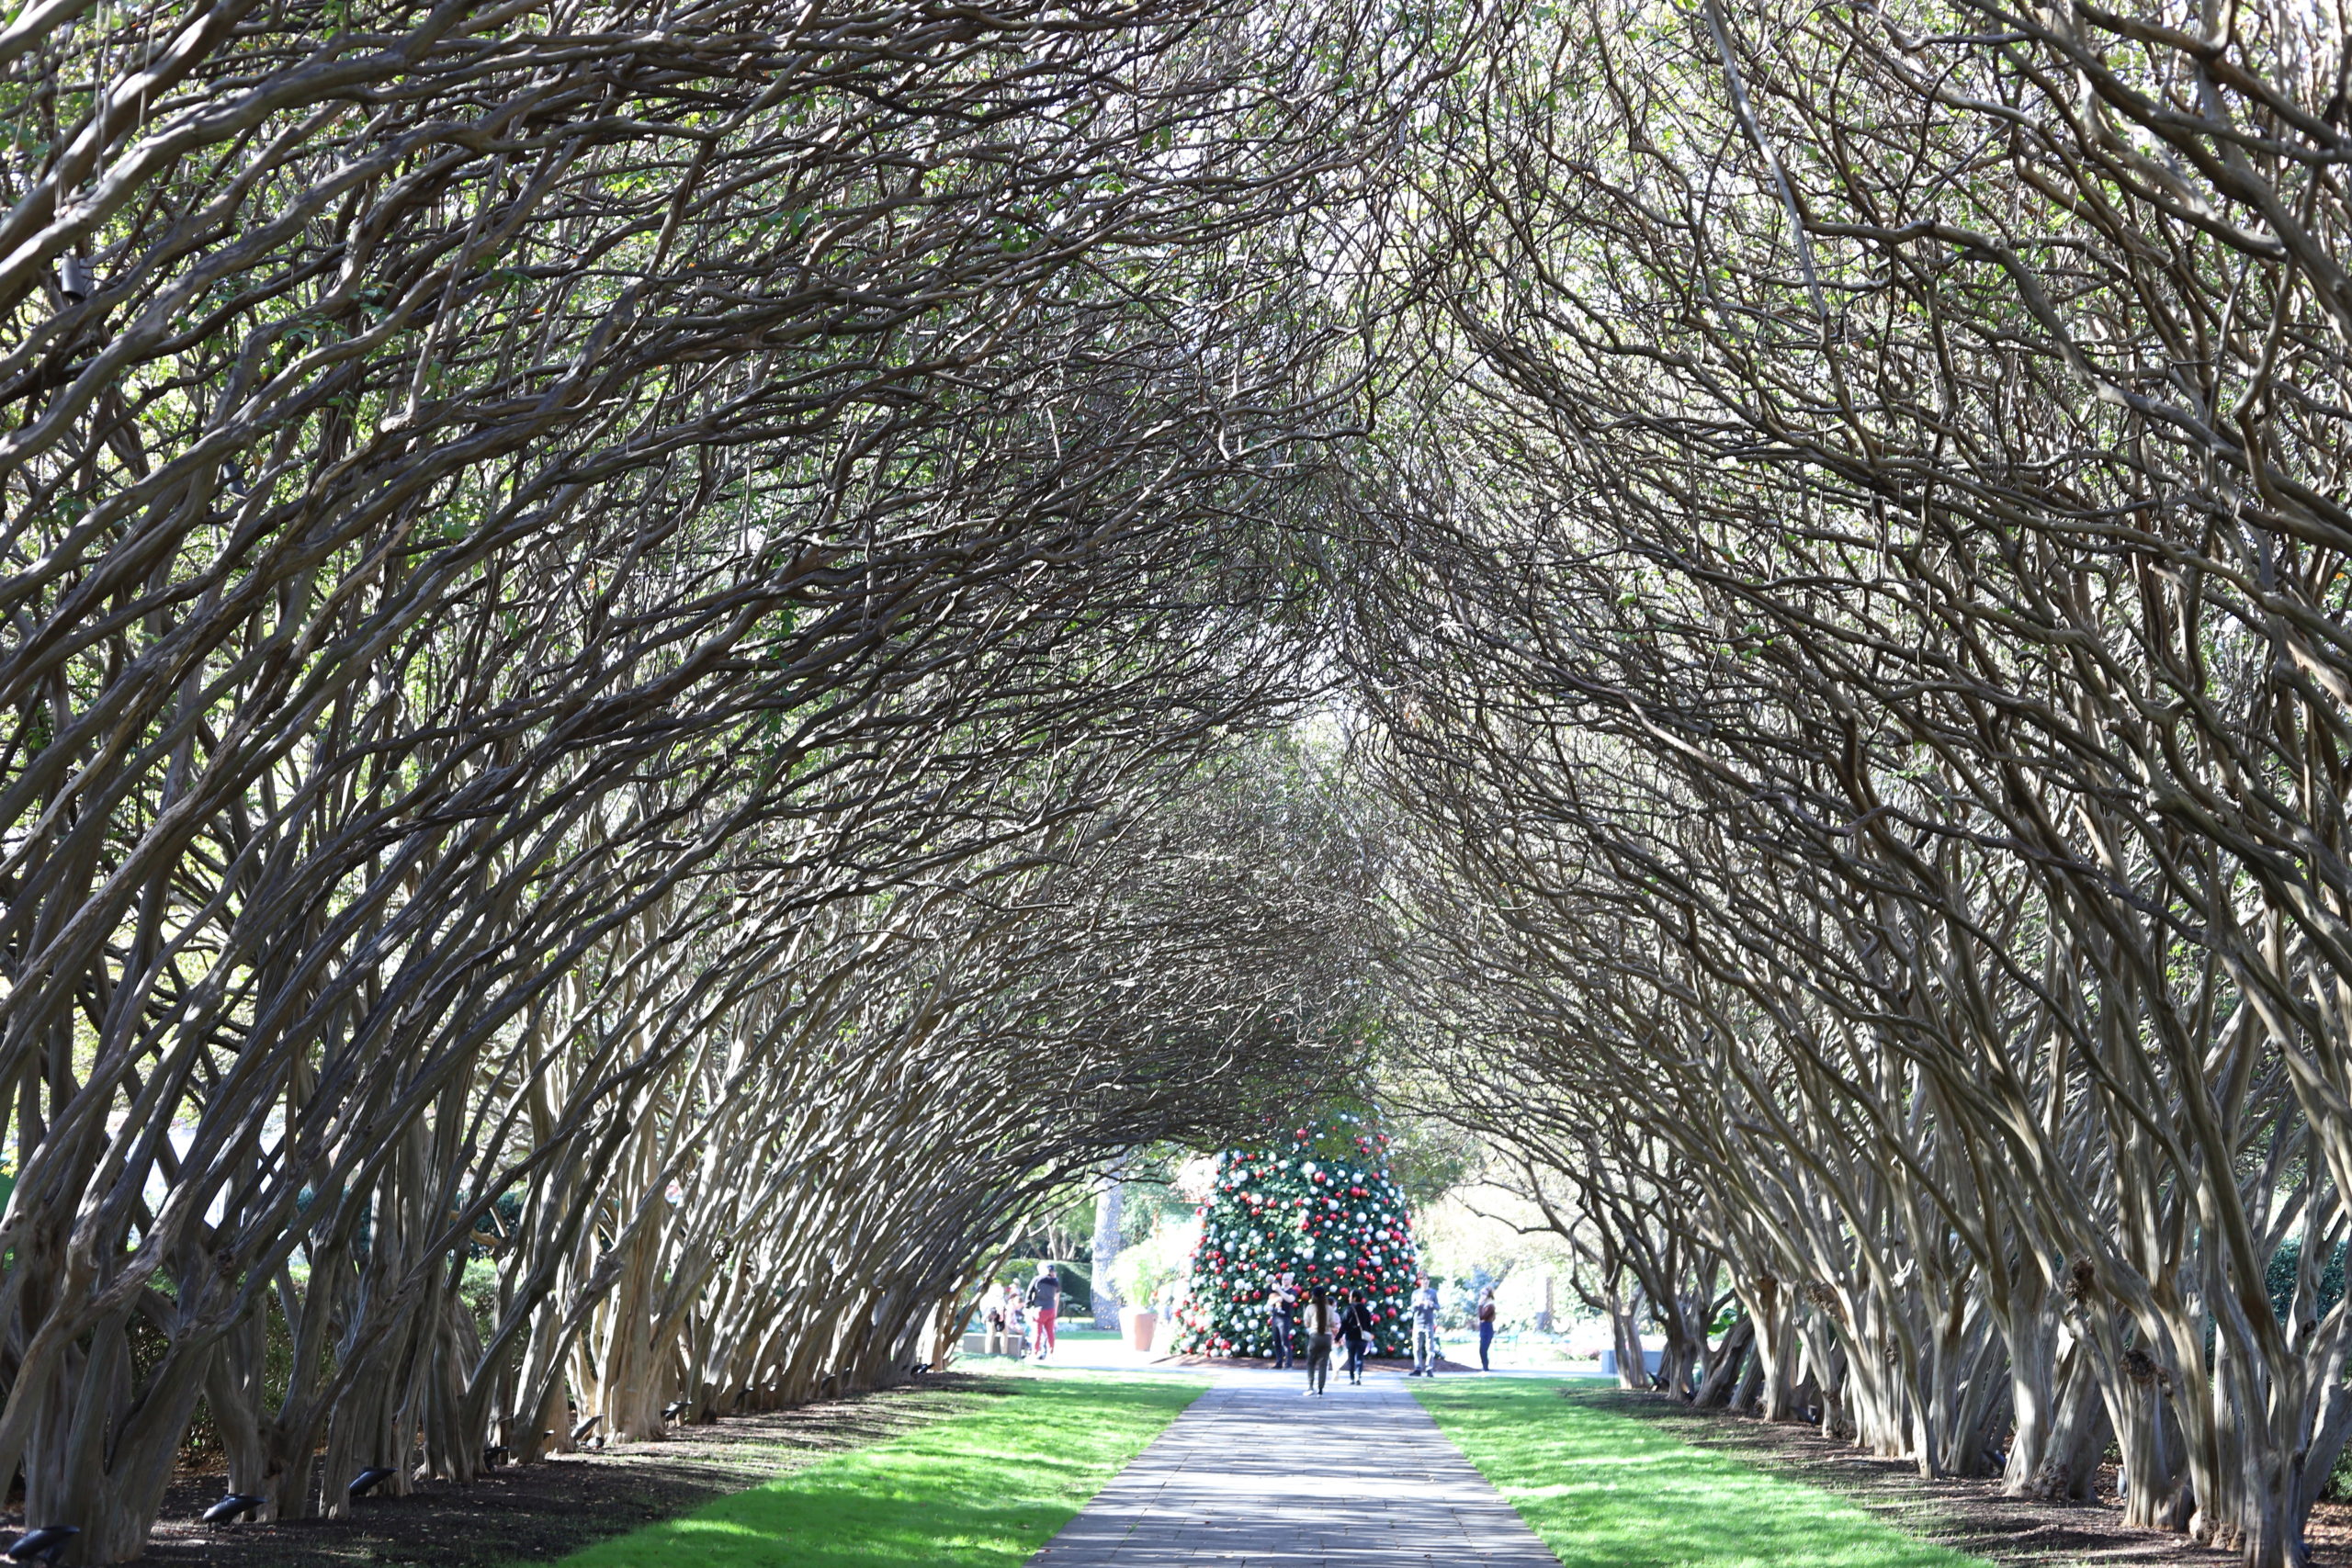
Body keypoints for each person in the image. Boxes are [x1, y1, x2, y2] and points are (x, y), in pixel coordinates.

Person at [1300, 1286, 1337, 1396]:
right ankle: (1321, 1388)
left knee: (1311, 1362)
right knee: (1323, 1363)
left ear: (1313, 1296)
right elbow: (1333, 1324)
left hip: (1315, 1336)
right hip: (1327, 1337)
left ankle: (1311, 1386)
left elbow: (1307, 1324)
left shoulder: (1310, 1308)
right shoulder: (1329, 1308)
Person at [1339, 1292, 1374, 1385]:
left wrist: (1338, 1337)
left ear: (1354, 1298)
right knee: (1360, 1357)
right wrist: (1369, 1335)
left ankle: (1351, 1377)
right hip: (1362, 1337)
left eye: (1350, 1296)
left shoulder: (1349, 1309)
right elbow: (1368, 1325)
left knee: (1351, 1357)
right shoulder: (1365, 1310)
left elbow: (1344, 1324)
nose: (1348, 1298)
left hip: (1351, 1336)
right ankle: (1358, 1375)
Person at [1027, 1264, 1062, 1359]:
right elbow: (1057, 1296)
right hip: (1051, 1309)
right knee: (1050, 1333)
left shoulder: (1037, 1279)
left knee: (1037, 1332)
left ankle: (1035, 1353)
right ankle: (1050, 1354)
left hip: (1039, 1309)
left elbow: (1030, 1292)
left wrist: (1028, 1305)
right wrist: (1055, 1311)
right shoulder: (1055, 1282)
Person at [1409, 1275, 1440, 1376]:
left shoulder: (1433, 1293)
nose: (1425, 1282)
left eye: (1427, 1280)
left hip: (1429, 1323)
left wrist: (1432, 1304)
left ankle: (1429, 1369)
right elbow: (1412, 1308)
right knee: (1417, 1347)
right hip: (1418, 1322)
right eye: (1423, 1280)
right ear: (1420, 1281)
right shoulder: (1415, 1293)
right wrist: (1417, 1304)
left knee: (1429, 1347)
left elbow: (1438, 1306)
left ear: (1429, 1282)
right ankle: (1418, 1368)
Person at [1267, 1271, 1297, 1371]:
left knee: (1285, 1341)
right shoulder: (1276, 1291)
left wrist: (1279, 1291)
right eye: (1283, 1279)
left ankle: (1288, 1364)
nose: (1284, 1281)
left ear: (1291, 1280)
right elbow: (1270, 1302)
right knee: (1277, 1341)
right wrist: (1277, 1298)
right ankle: (1278, 1363)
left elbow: (1290, 1299)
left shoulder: (1292, 1291)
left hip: (1285, 1318)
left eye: (1286, 1279)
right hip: (1276, 1317)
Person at [1476, 1286, 1498, 1371]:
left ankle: (1485, 1367)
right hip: (1483, 1327)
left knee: (1483, 1349)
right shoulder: (1485, 1304)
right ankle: (1485, 1366)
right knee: (1482, 1349)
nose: (1482, 1295)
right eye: (1481, 1293)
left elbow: (1482, 1316)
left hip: (1487, 1328)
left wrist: (1480, 1305)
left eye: (1484, 1294)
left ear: (1488, 1295)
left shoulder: (1490, 1305)